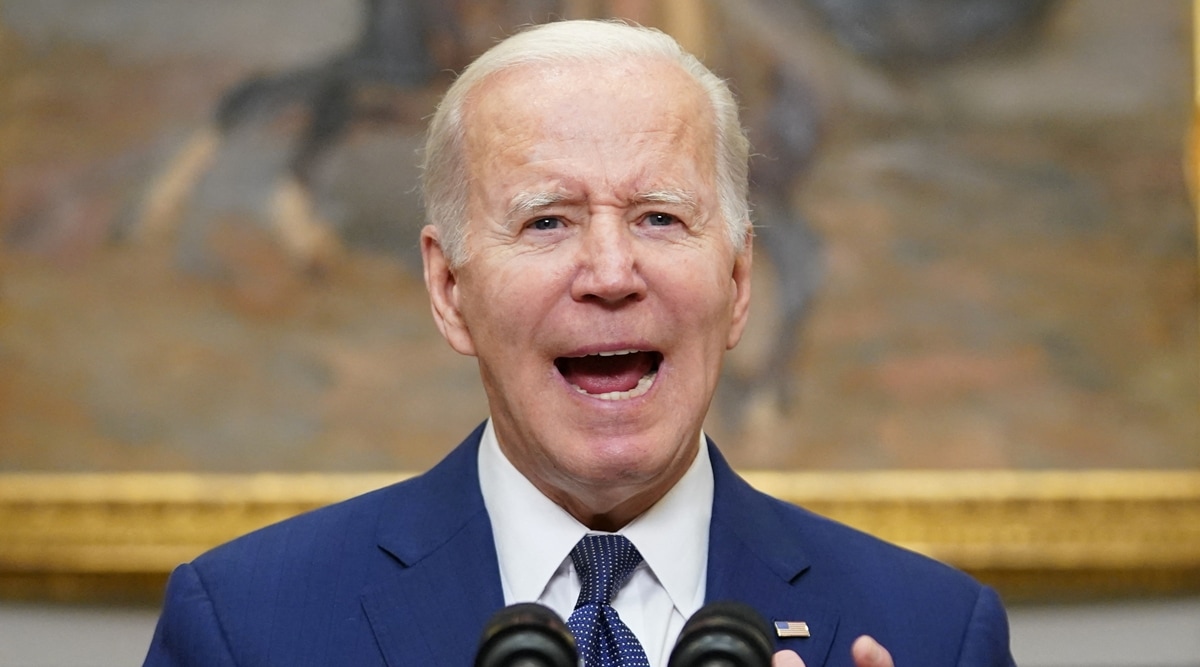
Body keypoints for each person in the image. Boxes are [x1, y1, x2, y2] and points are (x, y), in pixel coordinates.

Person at [143, 19, 1015, 667]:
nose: (609, 271)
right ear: (450, 290)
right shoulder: (246, 627)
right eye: (548, 219)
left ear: (739, 284)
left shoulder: (932, 632)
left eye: (660, 217)